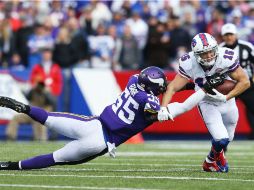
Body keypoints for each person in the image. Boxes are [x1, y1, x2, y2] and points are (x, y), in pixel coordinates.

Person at [0, 66, 225, 170]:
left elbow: (158, 87)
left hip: (92, 124)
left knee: (47, 117)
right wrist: (202, 90)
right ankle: (8, 166)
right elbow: (182, 106)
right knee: (54, 158)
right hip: (100, 142)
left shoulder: (132, 81)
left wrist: (193, 85)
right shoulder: (152, 106)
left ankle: (22, 107)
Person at [158, 33, 250, 173]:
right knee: (221, 139)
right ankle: (211, 161)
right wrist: (163, 108)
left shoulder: (226, 57)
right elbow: (173, 87)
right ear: (195, 54)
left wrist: (226, 97)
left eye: (210, 51)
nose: (208, 56)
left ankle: (211, 160)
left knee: (229, 137)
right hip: (206, 102)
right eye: (204, 53)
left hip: (228, 101)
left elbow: (245, 81)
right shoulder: (189, 62)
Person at [220, 23, 254, 139]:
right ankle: (222, 135)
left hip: (247, 84)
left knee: (252, 108)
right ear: (223, 36)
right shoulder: (219, 49)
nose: (229, 37)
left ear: (236, 35)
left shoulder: (247, 47)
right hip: (228, 85)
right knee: (224, 110)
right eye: (226, 35)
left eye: (231, 34)